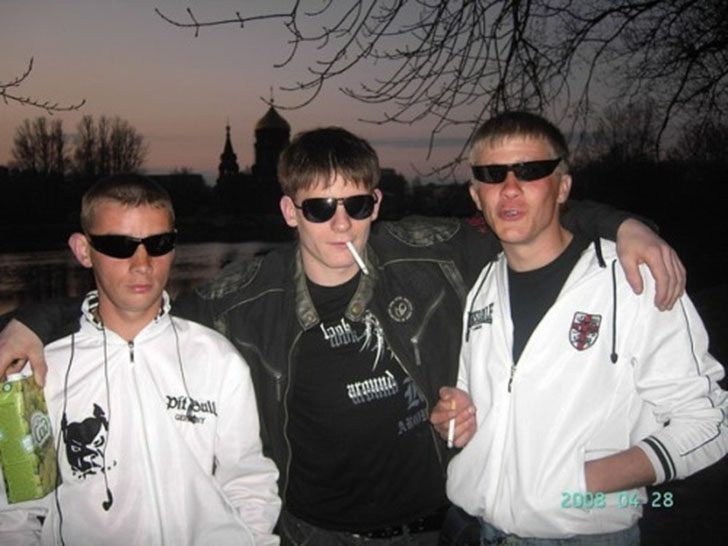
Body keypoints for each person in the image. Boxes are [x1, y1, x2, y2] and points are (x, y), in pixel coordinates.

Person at [0, 128, 685, 545]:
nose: (339, 223)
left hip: (436, 528)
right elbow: (140, 305)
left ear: (375, 203)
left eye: (356, 204)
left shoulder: (431, 256)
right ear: (289, 210)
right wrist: (39, 319)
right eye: (319, 206)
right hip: (310, 534)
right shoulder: (243, 299)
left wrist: (622, 224)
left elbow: (526, 217)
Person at [433, 111, 728, 545]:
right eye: (493, 175)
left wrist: (582, 481)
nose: (510, 188)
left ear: (563, 187)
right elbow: (490, 403)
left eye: (530, 171)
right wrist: (460, 416)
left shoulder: (632, 280)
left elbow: (709, 422)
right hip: (474, 529)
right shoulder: (482, 286)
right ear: (477, 195)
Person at [0, 174, 281, 545]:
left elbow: (249, 481)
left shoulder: (217, 358)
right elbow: (16, 512)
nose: (142, 263)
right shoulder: (37, 372)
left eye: (158, 243)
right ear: (83, 250)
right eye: (119, 246)